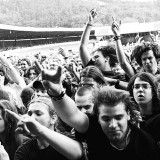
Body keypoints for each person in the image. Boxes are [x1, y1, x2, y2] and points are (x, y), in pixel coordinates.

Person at [39, 66, 160, 160]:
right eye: (106, 119)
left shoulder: (145, 144)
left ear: (128, 114)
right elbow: (73, 115)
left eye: (118, 117)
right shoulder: (93, 126)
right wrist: (57, 93)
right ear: (97, 117)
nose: (113, 124)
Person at [6, 96, 83, 160]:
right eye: (29, 114)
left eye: (38, 114)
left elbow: (78, 153)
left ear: (53, 118)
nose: (32, 118)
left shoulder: (69, 139)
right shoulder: (24, 150)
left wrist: (39, 130)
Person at [79, 9, 128, 90]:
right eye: (93, 57)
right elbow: (82, 47)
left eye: (97, 57)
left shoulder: (120, 77)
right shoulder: (92, 72)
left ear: (107, 58)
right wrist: (89, 24)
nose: (93, 59)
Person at [127, 72, 160, 146]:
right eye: (136, 87)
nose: (140, 90)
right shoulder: (129, 117)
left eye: (145, 86)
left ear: (153, 91)